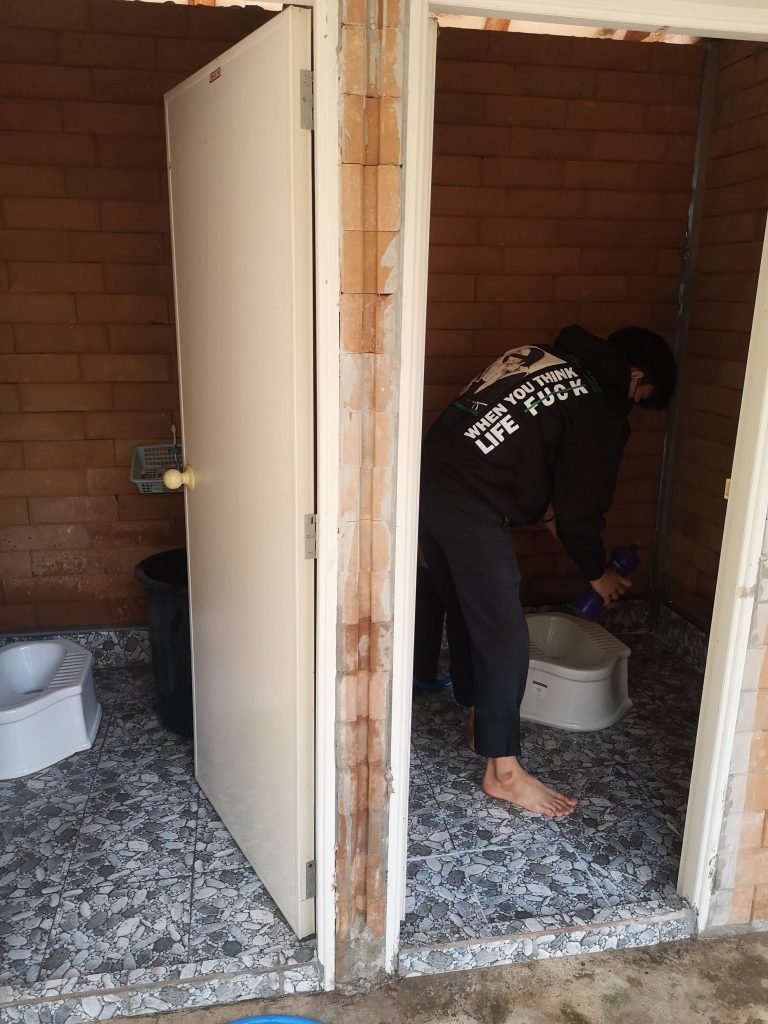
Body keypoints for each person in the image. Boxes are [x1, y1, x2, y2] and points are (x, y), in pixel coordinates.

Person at [418, 324, 677, 818]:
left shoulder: (535, 355)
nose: (632, 408)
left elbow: (551, 499)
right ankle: (503, 773)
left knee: (469, 610)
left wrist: (581, 550)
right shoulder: (599, 406)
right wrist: (597, 573)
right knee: (504, 632)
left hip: (427, 479)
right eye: (640, 398)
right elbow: (579, 511)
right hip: (471, 500)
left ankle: (476, 715)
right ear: (634, 376)